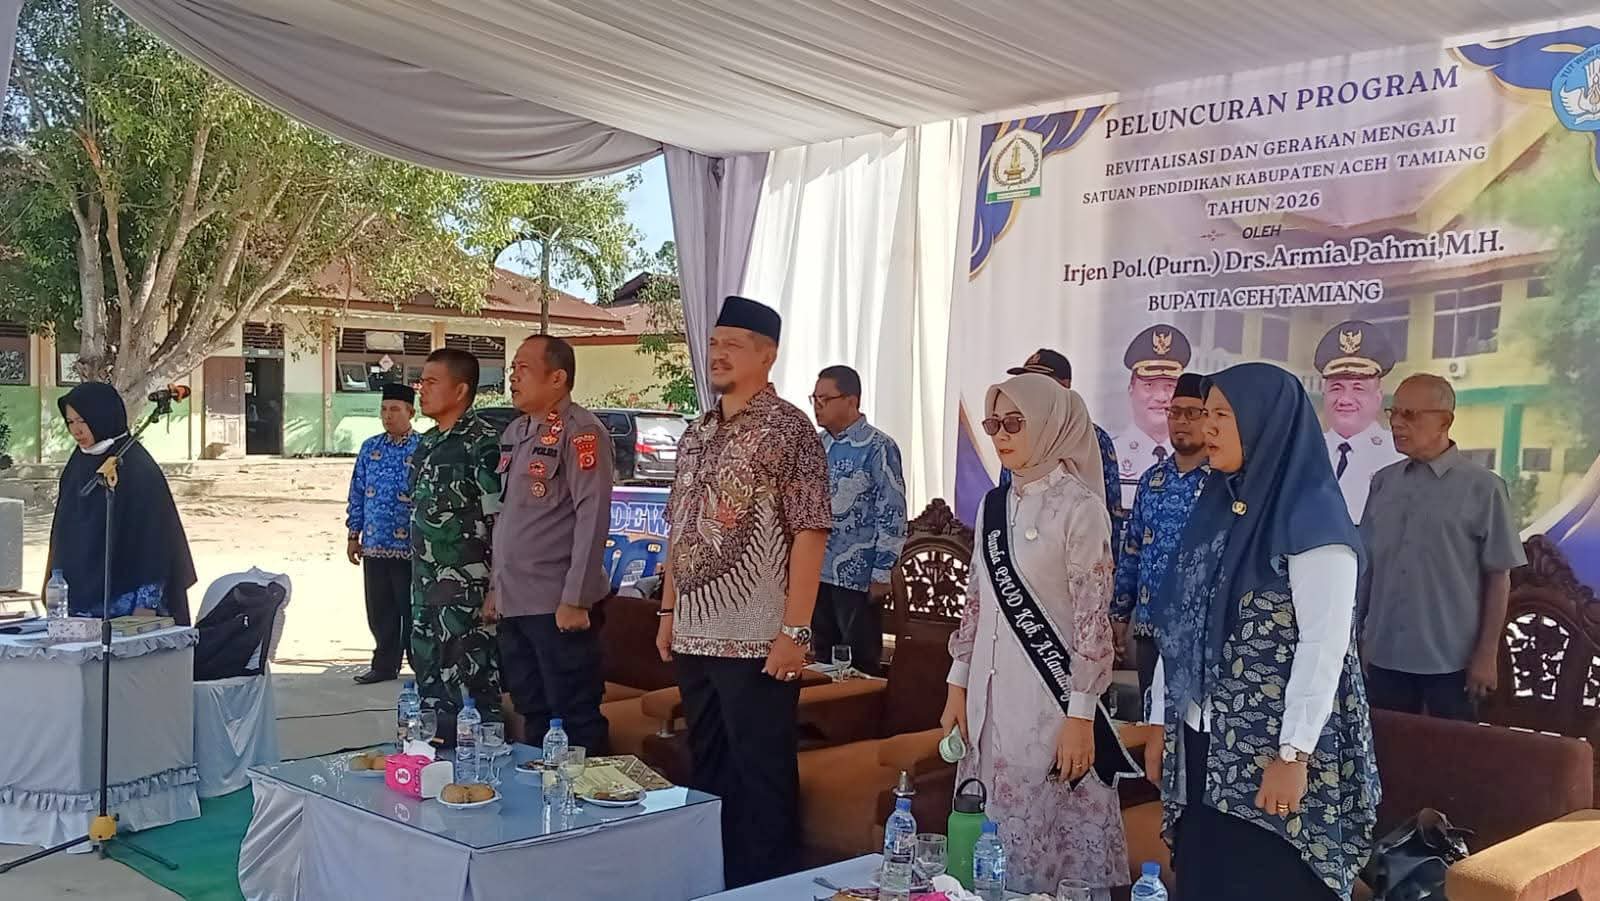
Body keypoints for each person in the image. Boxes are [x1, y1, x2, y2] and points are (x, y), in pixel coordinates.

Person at [1144, 362, 1378, 901]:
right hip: (1203, 740)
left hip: (1275, 749)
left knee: (1265, 879)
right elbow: (1180, 625)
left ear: (1265, 423)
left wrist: (1293, 755)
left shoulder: (1315, 520)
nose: (1208, 428)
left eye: (1223, 416)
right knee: (1205, 877)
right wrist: (1160, 720)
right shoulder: (1217, 506)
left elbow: (1324, 645)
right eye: (1206, 414)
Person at [656, 295, 831, 887]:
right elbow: (680, 526)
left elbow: (810, 532)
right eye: (713, 343)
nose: (718, 354)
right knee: (708, 768)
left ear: (767, 354)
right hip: (693, 635)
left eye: (732, 344)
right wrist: (668, 610)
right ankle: (715, 883)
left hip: (758, 642)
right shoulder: (698, 432)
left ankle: (771, 887)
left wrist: (795, 631)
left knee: (762, 774)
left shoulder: (789, 429)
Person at [939, 373, 1127, 897]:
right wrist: (957, 685)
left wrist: (1081, 716)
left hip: (1051, 703)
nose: (1001, 435)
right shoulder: (993, 505)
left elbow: (1092, 619)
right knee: (982, 840)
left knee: (1044, 848)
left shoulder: (1080, 507)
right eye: (993, 424)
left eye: (1014, 423)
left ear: (1049, 424)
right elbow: (976, 600)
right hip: (987, 700)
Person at [1359, 373, 1526, 720]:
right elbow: (1367, 569)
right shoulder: (1384, 483)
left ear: (1445, 422)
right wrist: (1357, 638)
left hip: (1451, 664)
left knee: (1450, 753)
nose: (1397, 424)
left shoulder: (1484, 488)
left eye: (1410, 415)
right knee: (1386, 750)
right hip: (1384, 655)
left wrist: (1486, 655)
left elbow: (1498, 577)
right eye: (1393, 413)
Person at [493, 335, 615, 753]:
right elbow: (508, 516)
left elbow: (593, 515)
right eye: (512, 368)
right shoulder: (517, 431)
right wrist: (495, 590)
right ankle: (541, 790)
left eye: (523, 368)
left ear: (558, 378)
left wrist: (577, 598)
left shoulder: (582, 432)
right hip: (514, 600)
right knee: (532, 709)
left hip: (556, 603)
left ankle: (585, 795)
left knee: (574, 715)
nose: (513, 377)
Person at [408, 348, 504, 736]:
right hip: (424, 586)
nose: (422, 389)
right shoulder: (427, 443)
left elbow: (499, 521)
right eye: (421, 382)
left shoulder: (482, 443)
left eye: (432, 382)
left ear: (461, 390)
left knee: (470, 684)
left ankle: (480, 761)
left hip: (467, 593)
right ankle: (431, 755)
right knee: (427, 675)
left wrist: (496, 588)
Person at [47, 382, 197, 624]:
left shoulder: (137, 467)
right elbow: (63, 535)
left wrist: (146, 605)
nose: (76, 430)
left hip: (130, 608)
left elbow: (156, 542)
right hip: (80, 603)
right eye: (70, 422)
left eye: (83, 420)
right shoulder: (77, 465)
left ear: (102, 416)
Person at [1111, 372, 1208, 698]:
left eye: (1192, 413)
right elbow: (1133, 551)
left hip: (1199, 632)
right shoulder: (1152, 480)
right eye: (1174, 412)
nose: (1181, 421)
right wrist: (1119, 614)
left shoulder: (1224, 483)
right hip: (1149, 628)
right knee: (1149, 717)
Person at [811, 364, 907, 676]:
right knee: (821, 657)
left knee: (859, 663)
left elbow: (892, 511)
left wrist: (882, 571)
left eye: (825, 399)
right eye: (814, 398)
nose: (817, 406)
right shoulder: (817, 445)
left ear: (851, 400)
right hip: (817, 570)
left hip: (858, 575)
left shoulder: (878, 447)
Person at [345, 383, 421, 685]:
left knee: (411, 610)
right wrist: (353, 534)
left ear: (410, 412)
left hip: (411, 547)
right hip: (375, 544)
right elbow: (357, 491)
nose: (388, 416)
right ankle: (384, 665)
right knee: (379, 610)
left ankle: (421, 667)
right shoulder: (370, 448)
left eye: (395, 409)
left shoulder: (423, 447)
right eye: (384, 409)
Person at [1003, 348, 1124, 536]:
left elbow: (1110, 512)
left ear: (1064, 386)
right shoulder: (1015, 432)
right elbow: (1004, 499)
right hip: (1018, 545)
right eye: (1025, 382)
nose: (1028, 390)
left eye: (1038, 382)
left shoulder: (1094, 438)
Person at [1315, 320, 1403, 523]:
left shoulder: (1398, 455)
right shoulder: (1305, 452)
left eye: (1358, 388)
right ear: (1324, 395)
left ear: (1378, 398)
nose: (1345, 399)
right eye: (1336, 388)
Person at [1112, 324, 1192, 510]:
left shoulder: (1196, 458)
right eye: (1149, 385)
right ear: (1131, 389)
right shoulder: (1111, 455)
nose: (1161, 397)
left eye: (1170, 386)